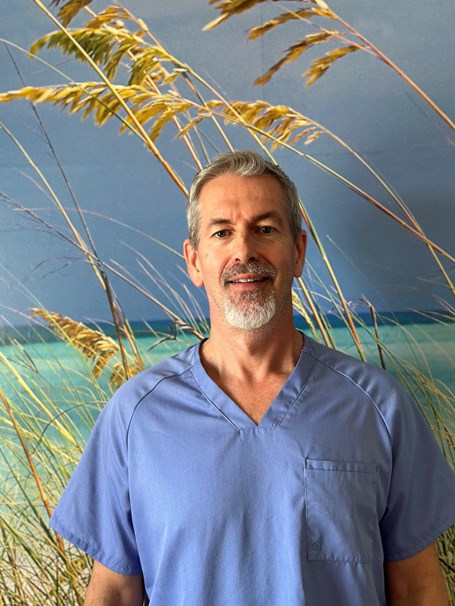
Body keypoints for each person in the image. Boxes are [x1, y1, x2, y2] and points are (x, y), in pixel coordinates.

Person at [50, 150, 455, 605]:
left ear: (297, 252)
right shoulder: (135, 417)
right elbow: (114, 593)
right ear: (195, 261)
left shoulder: (378, 406)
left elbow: (417, 588)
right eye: (222, 232)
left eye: (265, 229)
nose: (243, 251)